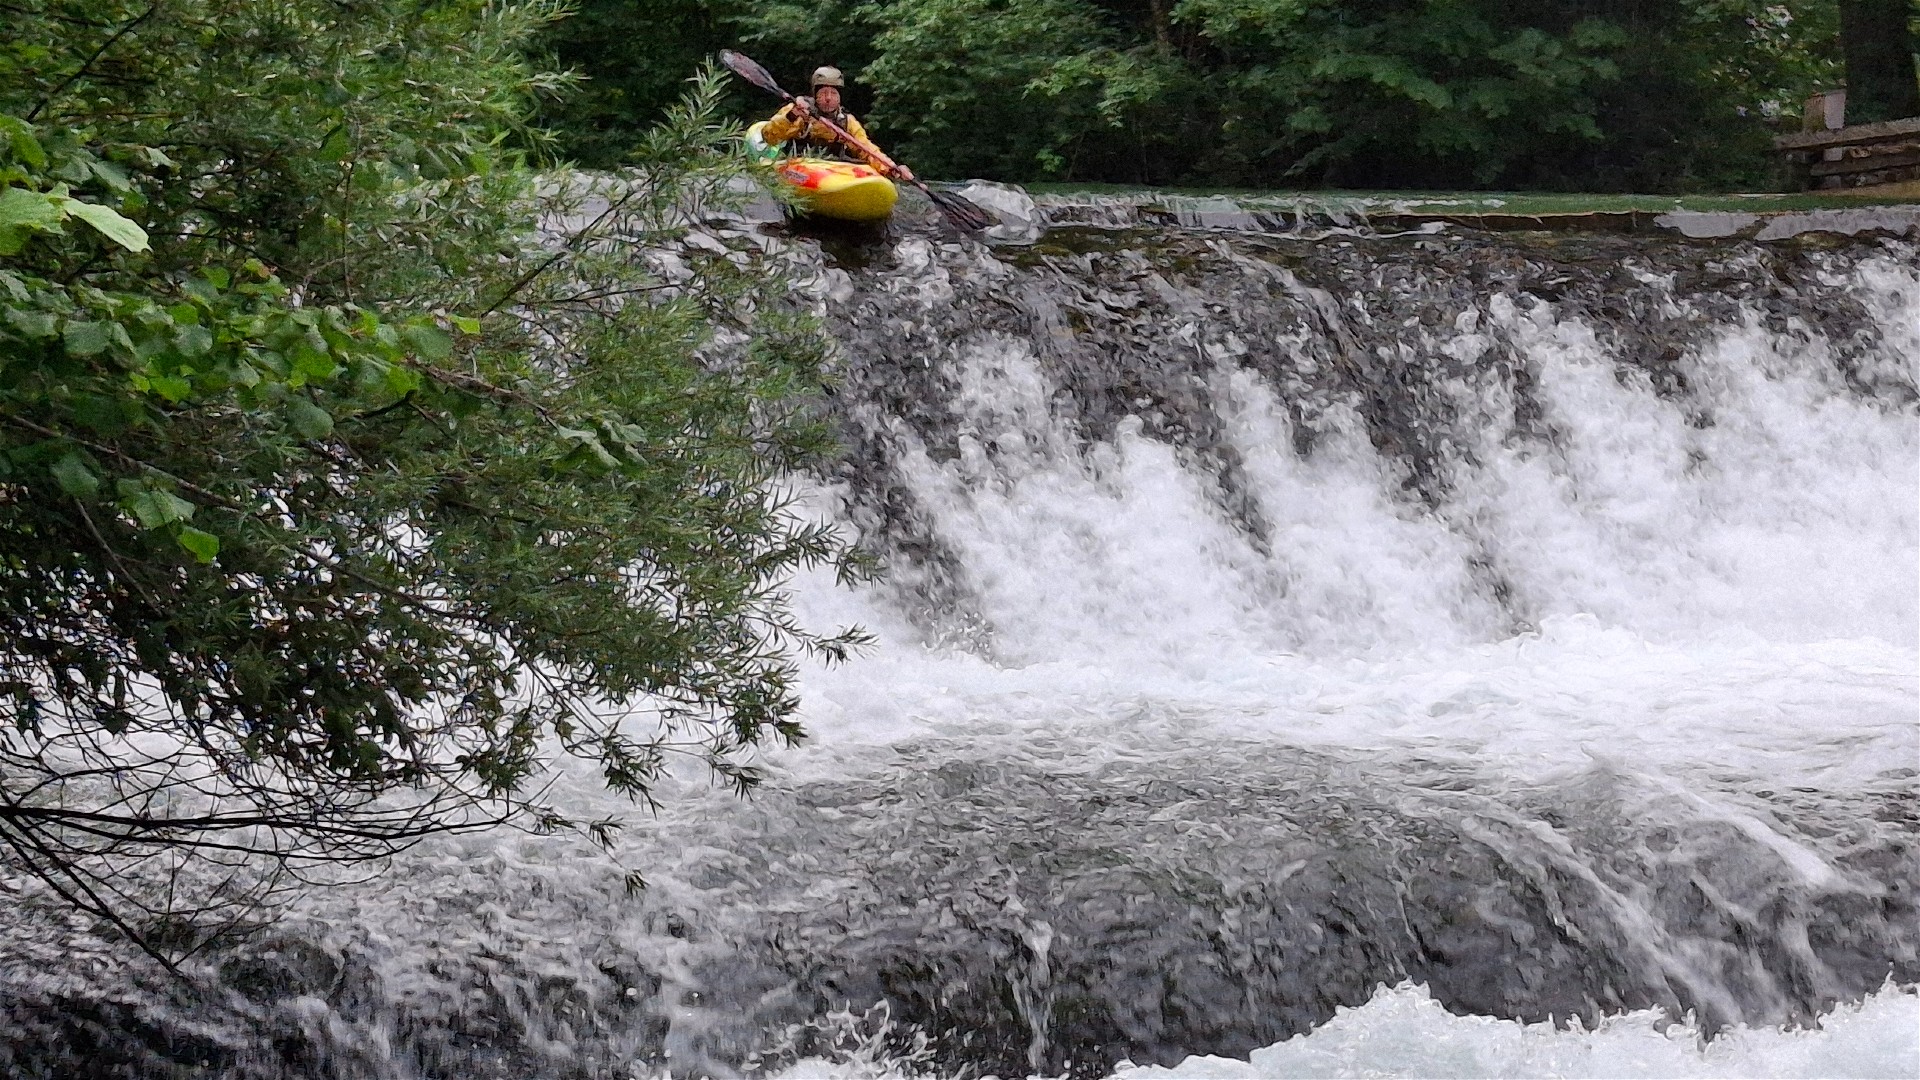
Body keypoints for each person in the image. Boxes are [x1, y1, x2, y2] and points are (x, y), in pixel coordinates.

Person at [761, 66, 914, 181]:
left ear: (840, 97)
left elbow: (868, 150)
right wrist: (792, 116)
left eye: (833, 93)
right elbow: (769, 136)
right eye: (823, 93)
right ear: (815, 95)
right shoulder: (799, 112)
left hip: (832, 173)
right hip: (801, 167)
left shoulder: (847, 122)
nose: (828, 98)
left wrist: (892, 168)